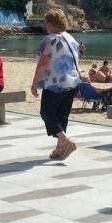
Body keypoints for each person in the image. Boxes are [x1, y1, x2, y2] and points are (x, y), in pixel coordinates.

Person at [31, 9, 81, 159]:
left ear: (51, 24)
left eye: (45, 22)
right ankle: (60, 149)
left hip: (55, 83)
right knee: (61, 116)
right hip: (72, 82)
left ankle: (66, 142)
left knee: (47, 113)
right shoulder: (72, 39)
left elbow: (43, 64)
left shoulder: (50, 39)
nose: (44, 26)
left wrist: (34, 83)